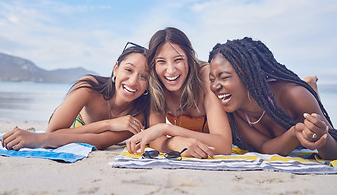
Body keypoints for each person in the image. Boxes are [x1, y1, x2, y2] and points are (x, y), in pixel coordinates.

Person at [1, 43, 150, 150]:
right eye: (128, 70)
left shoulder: (139, 112)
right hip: (69, 121)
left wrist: (45, 138)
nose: (133, 81)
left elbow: (101, 141)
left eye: (143, 77)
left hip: (69, 133)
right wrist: (109, 124)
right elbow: (51, 133)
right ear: (116, 69)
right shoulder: (90, 87)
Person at [208, 37, 337, 159]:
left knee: (309, 96)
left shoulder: (295, 95)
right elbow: (263, 146)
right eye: (211, 79)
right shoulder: (234, 108)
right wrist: (294, 133)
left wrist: (322, 138)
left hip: (299, 95)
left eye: (224, 77)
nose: (214, 86)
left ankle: (310, 84)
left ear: (248, 76)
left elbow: (334, 149)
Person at [126, 27, 232, 158]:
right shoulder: (156, 84)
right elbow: (153, 138)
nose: (170, 71)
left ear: (189, 58)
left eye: (178, 60)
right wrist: (174, 143)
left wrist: (166, 129)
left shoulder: (206, 77)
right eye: (161, 61)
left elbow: (224, 145)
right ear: (154, 64)